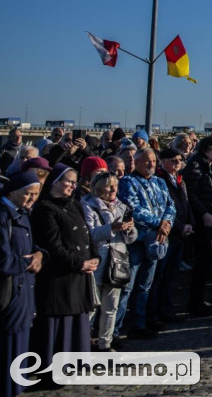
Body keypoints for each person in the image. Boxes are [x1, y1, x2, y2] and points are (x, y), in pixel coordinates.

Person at [29, 166, 100, 389]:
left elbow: (87, 234)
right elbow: (53, 246)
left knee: (76, 322)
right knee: (55, 326)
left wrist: (94, 257)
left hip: (79, 275)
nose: (72, 185)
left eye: (74, 182)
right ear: (55, 182)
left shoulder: (75, 204)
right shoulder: (45, 209)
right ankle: (51, 372)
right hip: (60, 277)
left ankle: (73, 367)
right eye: (68, 181)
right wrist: (79, 263)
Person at [115, 148, 175, 340]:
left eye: (153, 162)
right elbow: (133, 208)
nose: (151, 165)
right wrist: (159, 223)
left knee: (145, 285)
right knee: (127, 287)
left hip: (157, 240)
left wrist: (166, 224)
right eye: (147, 161)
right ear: (137, 162)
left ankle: (139, 323)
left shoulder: (160, 182)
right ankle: (115, 329)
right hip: (137, 240)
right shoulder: (128, 182)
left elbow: (170, 206)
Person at [81, 171, 137, 351]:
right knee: (91, 305)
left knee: (111, 306)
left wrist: (129, 229)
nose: (113, 189)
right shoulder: (88, 205)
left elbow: (131, 238)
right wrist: (111, 227)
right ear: (98, 187)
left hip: (118, 258)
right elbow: (91, 234)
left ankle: (105, 343)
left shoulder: (122, 206)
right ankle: (84, 343)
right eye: (108, 185)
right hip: (99, 258)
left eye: (115, 185)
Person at [1, 169, 44, 397]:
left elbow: (33, 247)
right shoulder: (3, 215)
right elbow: (3, 259)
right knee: (9, 346)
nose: (32, 199)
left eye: (36, 194)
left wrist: (39, 256)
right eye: (28, 194)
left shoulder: (23, 213)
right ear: (15, 191)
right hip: (9, 291)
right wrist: (28, 263)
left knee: (21, 341)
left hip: (25, 289)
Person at [183, 136, 212, 317]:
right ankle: (196, 302)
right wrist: (203, 213)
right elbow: (191, 194)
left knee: (206, 260)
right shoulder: (195, 166)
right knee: (202, 261)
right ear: (206, 149)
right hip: (202, 221)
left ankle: (200, 300)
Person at [149, 147, 194, 325]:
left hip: (181, 232)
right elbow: (165, 208)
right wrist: (180, 227)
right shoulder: (160, 180)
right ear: (163, 161)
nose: (177, 164)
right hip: (168, 233)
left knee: (171, 275)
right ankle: (154, 312)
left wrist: (190, 223)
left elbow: (185, 203)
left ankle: (167, 309)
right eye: (173, 161)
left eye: (180, 161)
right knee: (159, 276)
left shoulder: (179, 180)